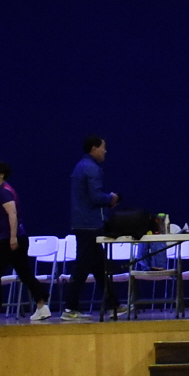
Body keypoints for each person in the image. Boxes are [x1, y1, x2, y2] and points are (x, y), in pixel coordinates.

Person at [0, 163, 51, 325]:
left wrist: (12, 238)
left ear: (1, 175)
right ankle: (42, 305)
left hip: (10, 240)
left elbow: (13, 214)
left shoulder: (4, 192)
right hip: (12, 237)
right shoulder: (3, 191)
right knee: (25, 273)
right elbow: (6, 217)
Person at [67, 135, 118, 320]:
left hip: (84, 223)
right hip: (89, 225)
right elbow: (95, 197)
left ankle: (114, 305)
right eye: (103, 147)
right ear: (94, 148)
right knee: (82, 267)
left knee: (100, 267)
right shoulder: (92, 168)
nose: (105, 151)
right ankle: (70, 308)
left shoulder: (81, 166)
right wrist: (111, 198)